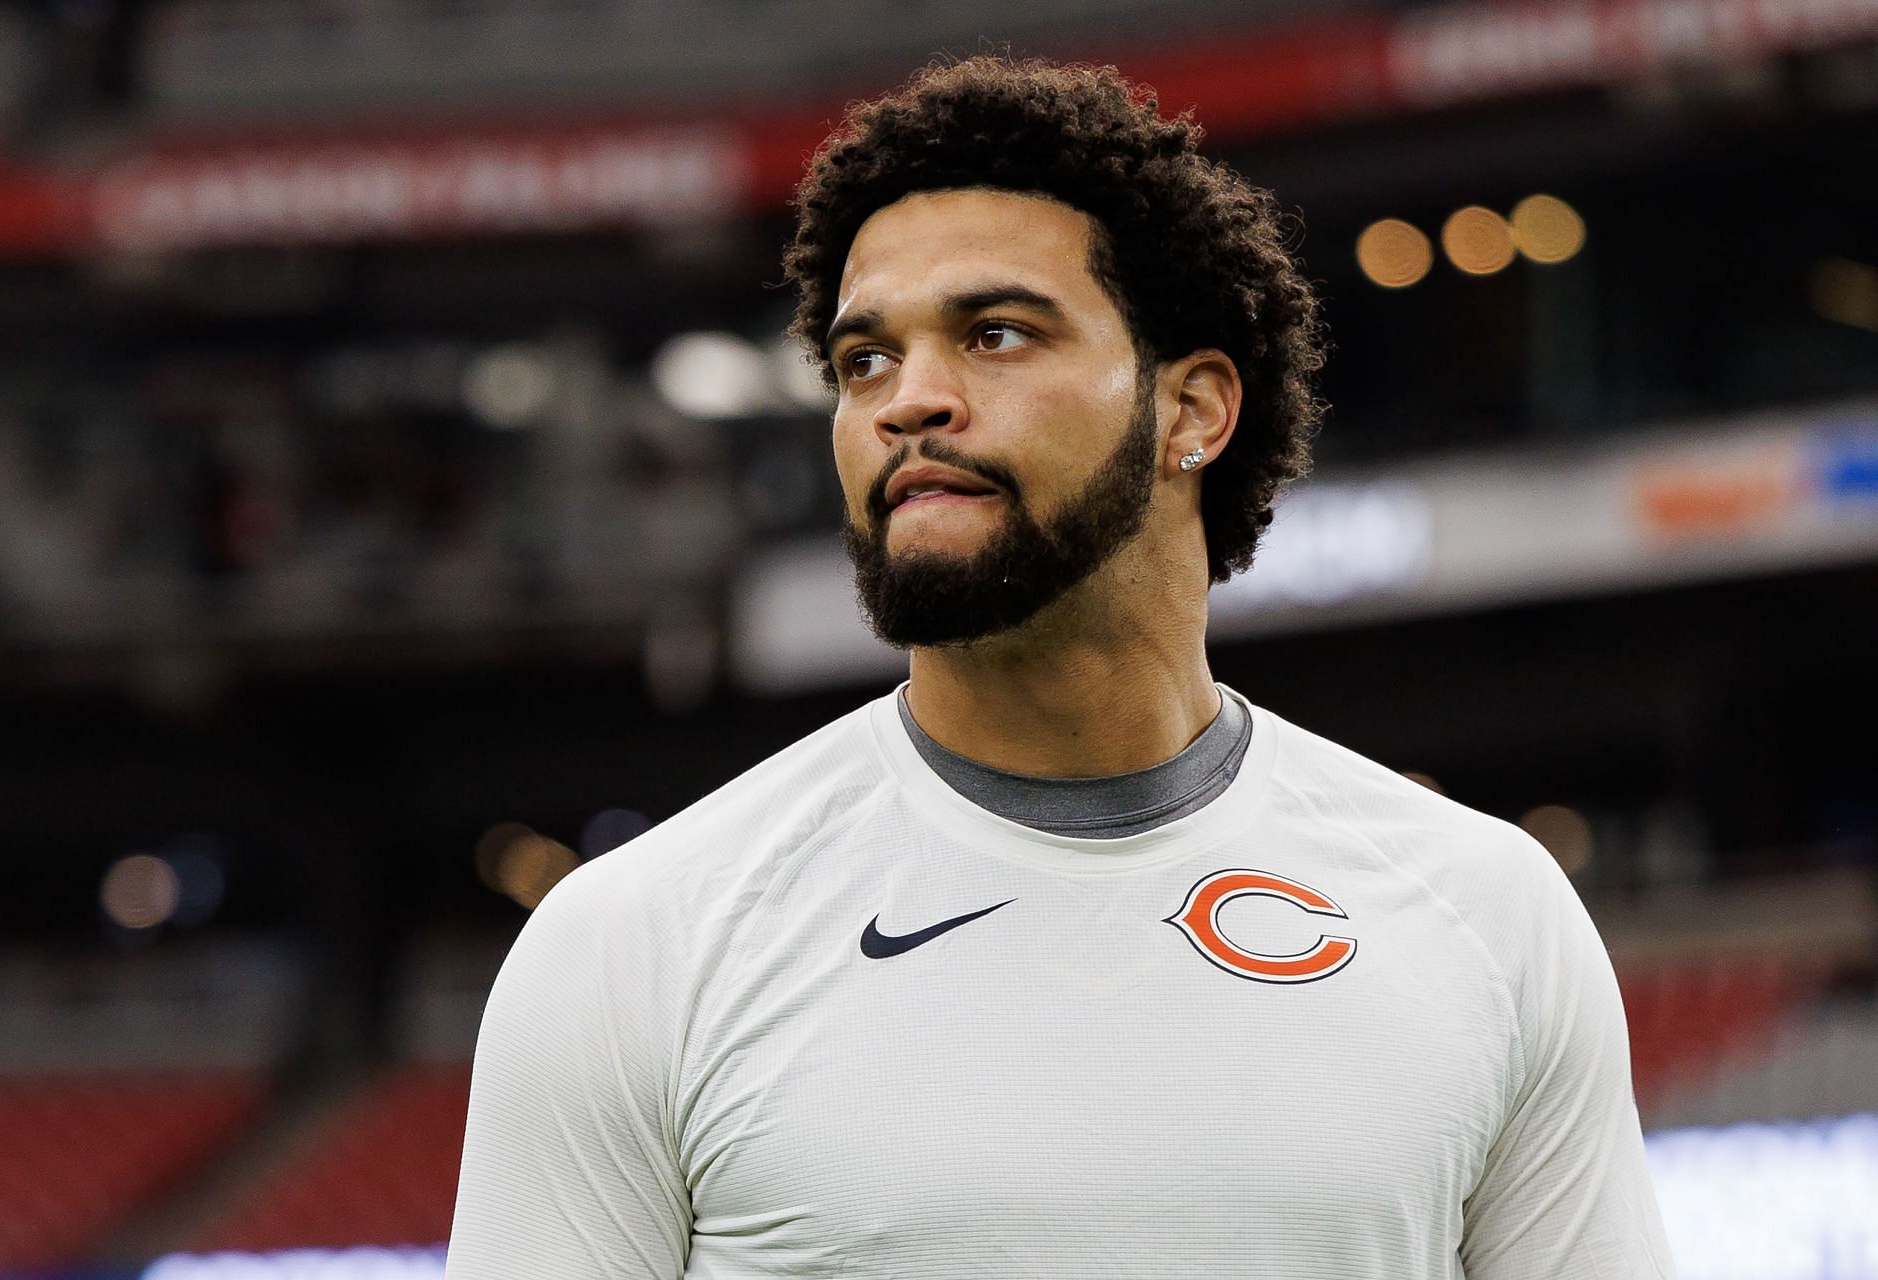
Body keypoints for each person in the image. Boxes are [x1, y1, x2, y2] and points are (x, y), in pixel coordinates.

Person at [446, 58, 1675, 1278]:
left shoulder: (1488, 914)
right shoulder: (631, 941)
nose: (908, 401)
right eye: (864, 360)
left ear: (1192, 407)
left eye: (993, 334)